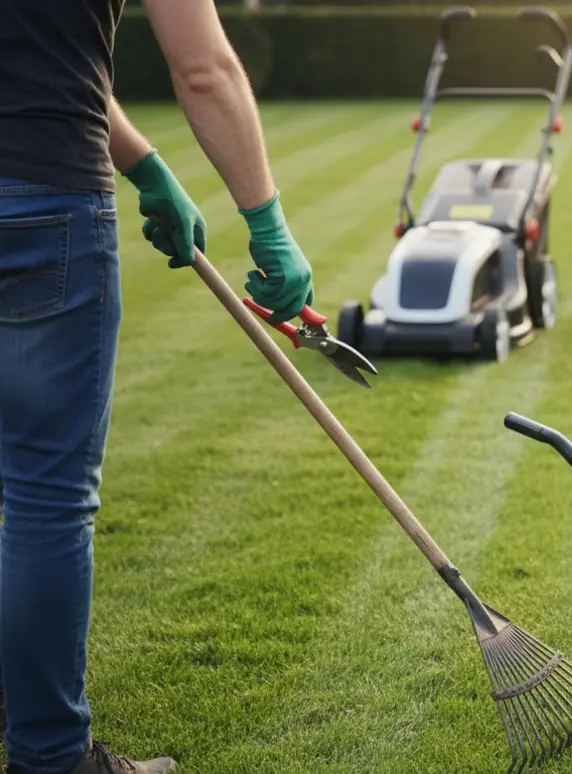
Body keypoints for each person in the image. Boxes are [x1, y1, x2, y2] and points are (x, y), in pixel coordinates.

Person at [0, 0, 316, 771]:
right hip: (45, 203)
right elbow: (205, 68)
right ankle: (52, 759)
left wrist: (142, 161)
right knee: (44, 501)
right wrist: (267, 221)